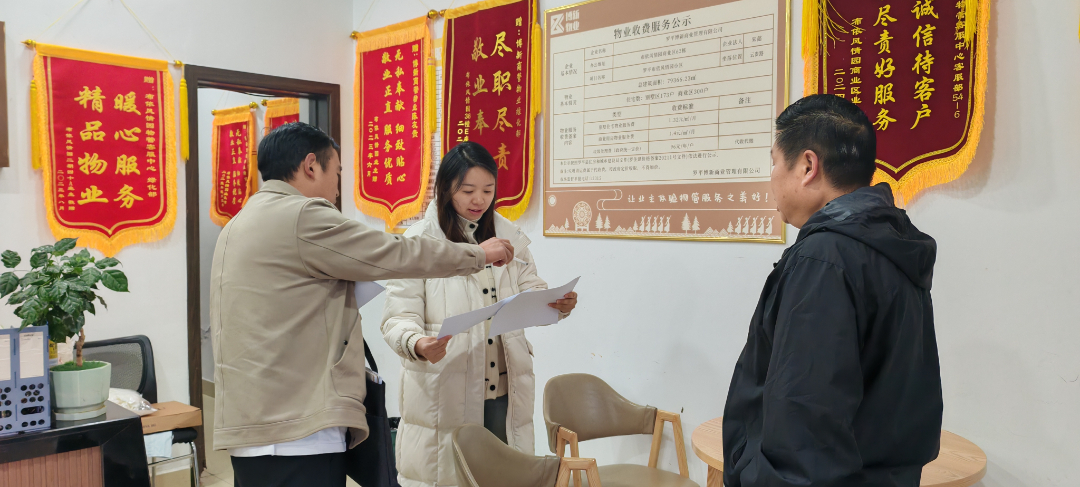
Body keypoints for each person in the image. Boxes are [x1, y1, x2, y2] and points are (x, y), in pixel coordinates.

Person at [209, 123, 516, 487]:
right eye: (337, 172)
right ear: (311, 165)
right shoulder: (303, 216)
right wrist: (478, 255)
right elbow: (394, 253)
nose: (338, 187)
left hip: (253, 423)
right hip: (298, 427)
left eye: (487, 190)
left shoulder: (239, 223)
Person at [722, 95, 942, 487]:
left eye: (775, 162)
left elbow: (802, 433)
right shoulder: (890, 244)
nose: (771, 177)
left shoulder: (825, 259)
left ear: (808, 166)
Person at [381, 141, 578, 487]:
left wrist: (556, 303)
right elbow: (397, 317)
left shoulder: (508, 235)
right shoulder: (419, 242)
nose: (479, 200)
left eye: (488, 190)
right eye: (468, 190)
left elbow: (531, 287)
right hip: (446, 390)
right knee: (450, 477)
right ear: (446, 188)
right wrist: (417, 343)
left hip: (504, 390)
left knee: (505, 477)